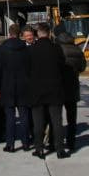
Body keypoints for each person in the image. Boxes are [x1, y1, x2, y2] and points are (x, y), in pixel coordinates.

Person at [27, 23, 66, 159]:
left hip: (37, 91)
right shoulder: (56, 49)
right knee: (56, 121)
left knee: (38, 122)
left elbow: (27, 71)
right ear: (49, 33)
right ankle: (60, 149)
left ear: (38, 34)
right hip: (54, 89)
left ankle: (39, 148)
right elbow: (62, 67)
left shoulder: (31, 50)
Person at [0, 23, 31, 152]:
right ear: (20, 33)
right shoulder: (25, 48)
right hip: (23, 86)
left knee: (10, 117)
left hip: (7, 86)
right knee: (24, 115)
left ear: (9, 33)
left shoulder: (3, 48)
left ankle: (10, 144)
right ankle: (26, 142)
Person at [55, 27, 86, 153]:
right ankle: (71, 142)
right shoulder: (77, 49)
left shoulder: (57, 49)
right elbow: (83, 66)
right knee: (72, 117)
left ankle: (57, 141)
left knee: (57, 117)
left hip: (59, 86)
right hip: (73, 85)